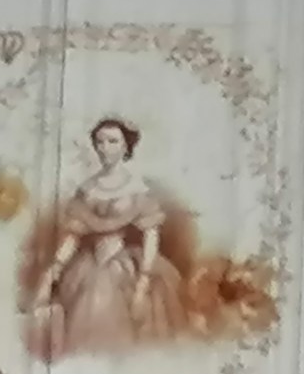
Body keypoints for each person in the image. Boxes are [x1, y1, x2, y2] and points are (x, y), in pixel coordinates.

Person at [28, 117, 188, 358]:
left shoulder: (137, 188)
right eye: (100, 142)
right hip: (88, 266)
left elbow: (151, 237)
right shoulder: (87, 189)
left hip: (125, 266)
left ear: (126, 146)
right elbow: (73, 237)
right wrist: (55, 269)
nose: (105, 148)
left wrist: (143, 283)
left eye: (113, 141)